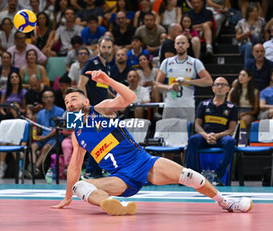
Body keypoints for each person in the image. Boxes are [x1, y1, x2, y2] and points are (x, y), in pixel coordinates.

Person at [51, 71, 253, 215]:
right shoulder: (77, 134)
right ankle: (115, 205)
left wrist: (108, 80)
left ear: (85, 102)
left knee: (189, 176)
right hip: (121, 177)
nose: (70, 103)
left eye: (74, 98)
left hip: (144, 163)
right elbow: (75, 167)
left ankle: (226, 202)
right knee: (80, 186)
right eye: (67, 101)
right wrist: (68, 196)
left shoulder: (101, 109)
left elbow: (130, 97)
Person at [186, 77, 237, 186]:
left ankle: (218, 176)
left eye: (223, 85)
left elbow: (231, 130)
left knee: (230, 142)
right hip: (205, 136)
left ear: (228, 89)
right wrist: (206, 135)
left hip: (221, 137)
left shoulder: (232, 107)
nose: (220, 87)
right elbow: (197, 125)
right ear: (213, 88)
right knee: (193, 140)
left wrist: (217, 136)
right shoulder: (203, 104)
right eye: (217, 84)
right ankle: (192, 176)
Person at [78, 36, 114, 179]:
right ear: (98, 48)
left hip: (103, 109)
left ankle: (96, 171)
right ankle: (90, 172)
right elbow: (81, 84)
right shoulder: (91, 64)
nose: (106, 50)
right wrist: (86, 106)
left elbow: (104, 89)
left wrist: (117, 99)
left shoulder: (107, 67)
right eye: (104, 47)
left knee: (103, 139)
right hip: (92, 109)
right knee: (98, 139)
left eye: (109, 47)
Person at [155, 34, 213, 122]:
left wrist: (188, 82)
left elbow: (209, 81)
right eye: (178, 43)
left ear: (187, 45)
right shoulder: (166, 62)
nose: (180, 45)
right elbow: (157, 85)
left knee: (186, 132)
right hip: (170, 103)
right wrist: (168, 87)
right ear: (174, 45)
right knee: (168, 132)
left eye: (183, 43)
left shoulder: (195, 62)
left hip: (187, 104)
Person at [30, 90, 64, 177]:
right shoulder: (40, 113)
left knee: (45, 148)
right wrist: (36, 135)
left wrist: (43, 138)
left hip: (55, 138)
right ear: (43, 99)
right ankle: (33, 166)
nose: (49, 99)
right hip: (43, 137)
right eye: (46, 97)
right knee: (33, 147)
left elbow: (58, 130)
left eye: (51, 97)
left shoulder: (60, 111)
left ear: (54, 98)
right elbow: (38, 128)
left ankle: (34, 170)